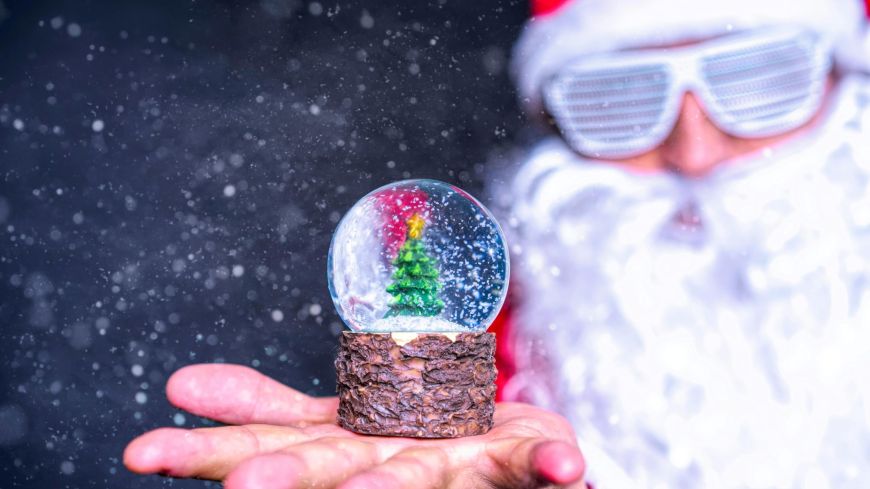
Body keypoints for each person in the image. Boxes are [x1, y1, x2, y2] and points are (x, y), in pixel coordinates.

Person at [124, 0, 870, 487]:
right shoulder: (462, 361)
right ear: (552, 119)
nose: (695, 149)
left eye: (764, 78)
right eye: (618, 99)